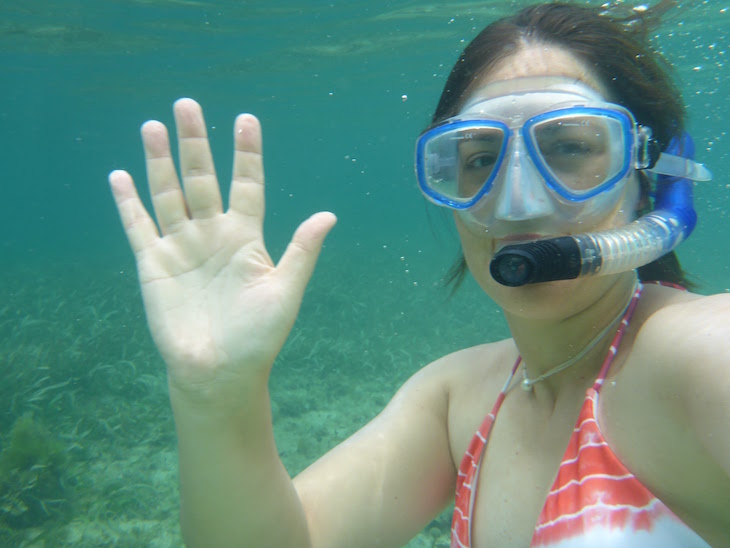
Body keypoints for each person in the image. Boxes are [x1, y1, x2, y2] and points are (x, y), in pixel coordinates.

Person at [108, 2, 729, 546]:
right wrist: (217, 394)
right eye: (481, 159)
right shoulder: (456, 400)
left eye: (569, 148)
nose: (519, 203)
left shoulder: (697, 357)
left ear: (650, 178)